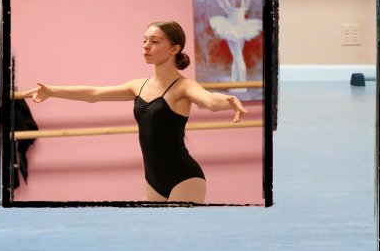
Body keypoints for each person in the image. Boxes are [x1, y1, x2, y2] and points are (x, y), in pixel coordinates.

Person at [23, 20, 249, 203]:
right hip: (153, 180)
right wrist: (52, 91)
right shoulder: (138, 86)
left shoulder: (184, 86)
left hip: (184, 177)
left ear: (174, 49)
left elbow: (209, 101)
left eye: (155, 41)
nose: (146, 46)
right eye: (144, 41)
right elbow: (94, 93)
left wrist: (229, 100)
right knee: (159, 240)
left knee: (178, 240)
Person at [208, 0, 263, 85]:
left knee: (238, 58)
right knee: (236, 58)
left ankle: (242, 84)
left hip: (233, 30)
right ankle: (234, 83)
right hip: (241, 28)